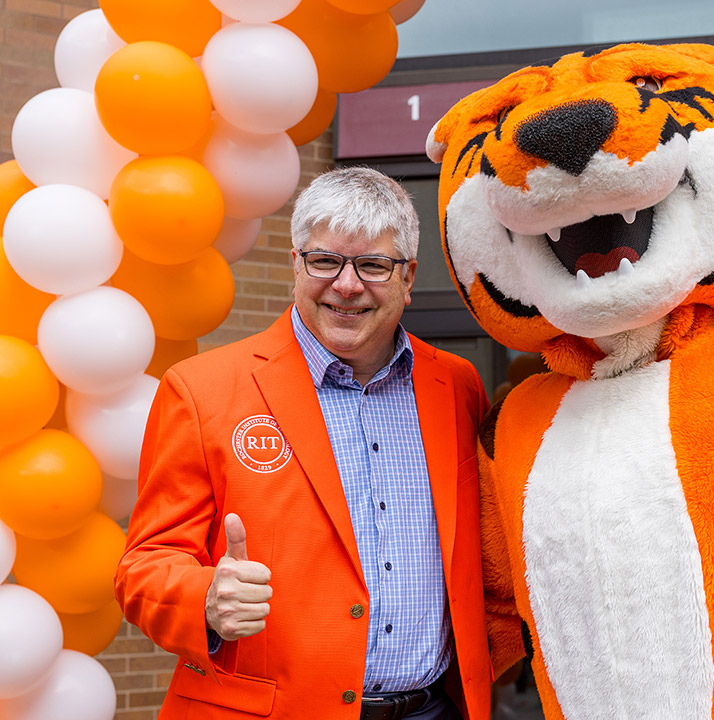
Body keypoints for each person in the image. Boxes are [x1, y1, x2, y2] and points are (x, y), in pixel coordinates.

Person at [115, 166, 492, 720]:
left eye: (373, 265)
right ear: (297, 264)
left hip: (435, 709)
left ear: (408, 279)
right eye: (325, 260)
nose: (346, 284)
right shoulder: (201, 390)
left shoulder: (457, 386)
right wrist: (204, 599)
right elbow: (144, 566)